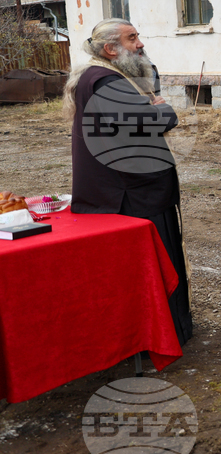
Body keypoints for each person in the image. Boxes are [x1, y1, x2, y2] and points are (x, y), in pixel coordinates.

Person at [65, 18, 193, 346]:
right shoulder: (106, 81)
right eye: (132, 38)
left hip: (127, 191)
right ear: (111, 49)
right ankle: (161, 337)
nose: (140, 44)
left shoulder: (97, 75)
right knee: (153, 270)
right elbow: (152, 119)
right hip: (134, 197)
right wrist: (163, 110)